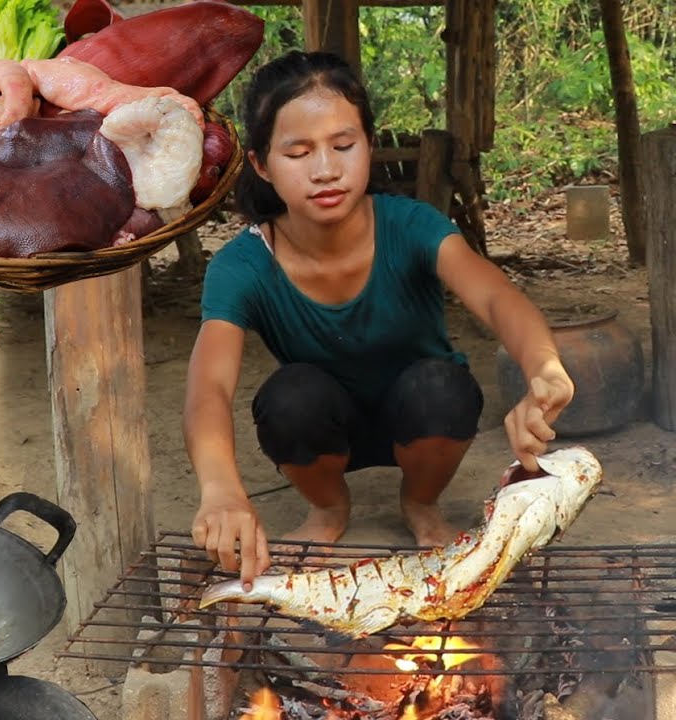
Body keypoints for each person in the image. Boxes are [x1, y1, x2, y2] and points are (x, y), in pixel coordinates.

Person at [183, 51, 574, 588]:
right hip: (324, 423)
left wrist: (544, 367)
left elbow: (495, 298)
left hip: (420, 416)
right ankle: (328, 509)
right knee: (290, 398)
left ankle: (420, 502)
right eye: (298, 152)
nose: (326, 170)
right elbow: (209, 386)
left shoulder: (411, 226)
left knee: (441, 386)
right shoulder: (242, 265)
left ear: (368, 144)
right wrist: (221, 487)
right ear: (261, 165)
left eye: (344, 146)